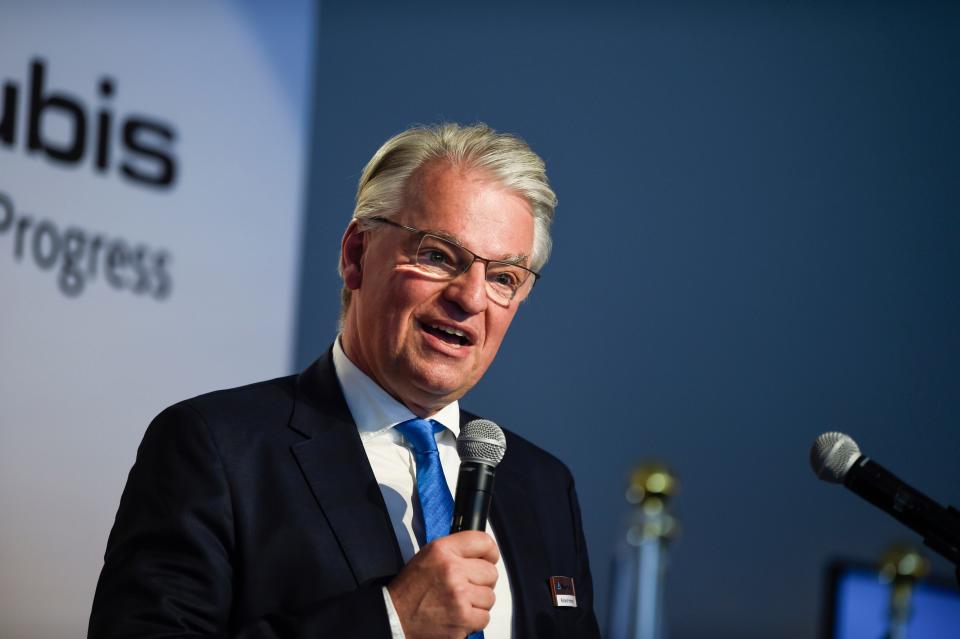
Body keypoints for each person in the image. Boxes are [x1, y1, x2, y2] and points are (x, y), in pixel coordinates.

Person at [88, 123, 601, 639]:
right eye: (439, 255)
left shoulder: (542, 486)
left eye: (503, 278)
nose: (470, 299)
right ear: (356, 254)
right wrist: (391, 621)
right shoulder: (216, 448)